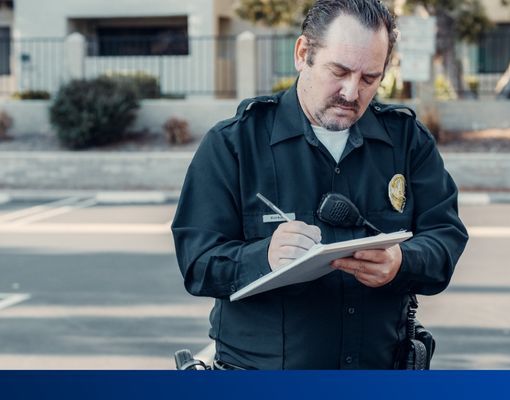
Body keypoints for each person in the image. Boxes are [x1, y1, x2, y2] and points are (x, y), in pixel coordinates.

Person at [172, 0, 468, 370]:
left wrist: (401, 262)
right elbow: (197, 263)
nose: (351, 91)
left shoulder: (407, 140)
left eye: (369, 78)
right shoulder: (234, 144)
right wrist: (263, 257)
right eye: (339, 71)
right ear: (303, 53)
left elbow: (445, 236)